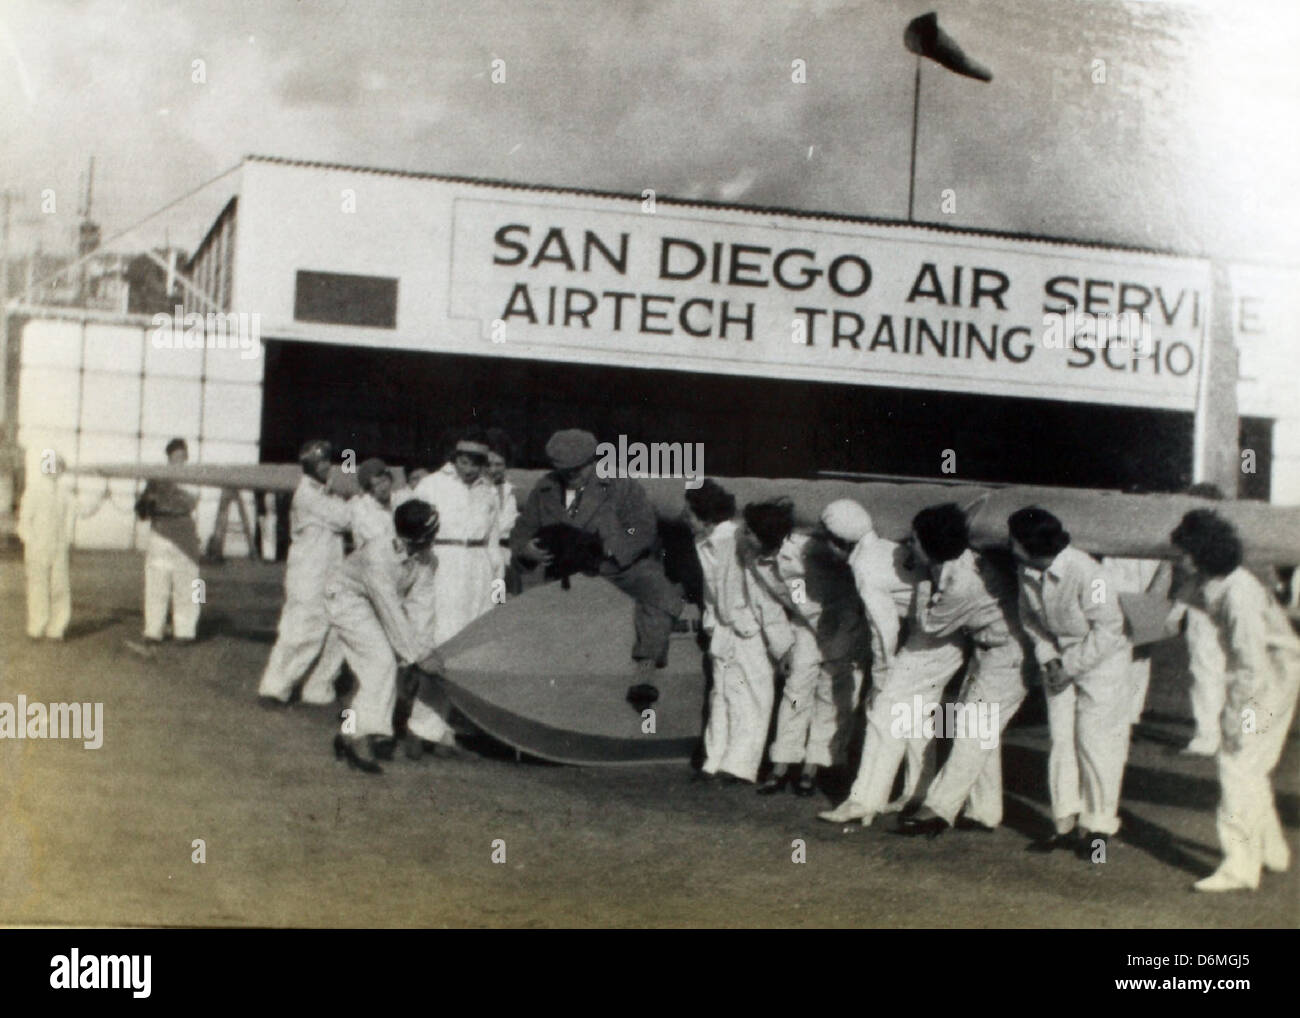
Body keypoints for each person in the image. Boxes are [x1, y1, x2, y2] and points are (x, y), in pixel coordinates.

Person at [1169, 510, 1300, 892]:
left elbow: (1250, 664)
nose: (1179, 559)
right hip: (1271, 672)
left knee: (1236, 765)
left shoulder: (1239, 593)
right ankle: (1272, 851)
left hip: (1270, 679)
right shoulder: (1213, 580)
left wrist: (1237, 715)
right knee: (1249, 765)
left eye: (1185, 552)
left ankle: (1240, 868)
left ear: (1202, 552)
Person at [816, 500, 966, 825]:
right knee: (916, 717)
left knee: (884, 715)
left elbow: (884, 630)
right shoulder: (884, 547)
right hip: (942, 637)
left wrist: (882, 676)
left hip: (932, 639)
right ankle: (917, 791)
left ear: (840, 542)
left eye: (825, 539)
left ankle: (863, 802)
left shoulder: (865, 569)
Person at [892, 504, 1032, 837]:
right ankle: (984, 811)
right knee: (983, 733)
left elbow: (931, 625)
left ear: (931, 546)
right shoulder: (964, 561)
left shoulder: (961, 584)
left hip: (1007, 655)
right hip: (990, 651)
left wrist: (924, 582)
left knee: (972, 731)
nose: (908, 545)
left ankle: (938, 809)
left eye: (914, 540)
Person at [1010, 506, 1133, 859]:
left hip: (1102, 661)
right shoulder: (1027, 569)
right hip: (1059, 661)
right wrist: (1049, 659)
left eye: (1013, 539)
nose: (1008, 545)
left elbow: (1109, 629)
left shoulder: (1088, 573)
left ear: (1028, 543)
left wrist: (1070, 666)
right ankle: (1063, 823)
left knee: (1095, 744)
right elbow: (1029, 618)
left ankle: (1097, 830)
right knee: (1061, 741)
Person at [511, 428, 682, 670]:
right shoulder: (545, 488)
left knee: (660, 591)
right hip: (564, 569)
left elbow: (641, 527)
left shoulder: (621, 486)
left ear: (593, 461)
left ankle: (647, 661)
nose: (571, 475)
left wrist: (615, 547)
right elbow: (522, 529)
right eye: (565, 470)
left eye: (577, 469)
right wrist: (525, 548)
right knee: (531, 607)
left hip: (615, 566)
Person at [742, 499, 868, 796]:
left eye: (748, 530)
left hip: (840, 619)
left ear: (766, 534)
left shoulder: (807, 547)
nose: (742, 534)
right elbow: (766, 604)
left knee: (831, 693)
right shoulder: (754, 558)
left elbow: (853, 564)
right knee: (796, 691)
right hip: (805, 625)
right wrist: (783, 647)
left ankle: (816, 766)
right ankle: (782, 764)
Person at [326, 499, 445, 774]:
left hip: (373, 602)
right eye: (430, 535)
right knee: (381, 663)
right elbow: (390, 609)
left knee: (382, 666)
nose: (432, 541)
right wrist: (416, 655)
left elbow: (420, 607)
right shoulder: (379, 555)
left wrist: (424, 649)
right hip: (346, 599)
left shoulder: (427, 559)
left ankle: (349, 734)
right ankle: (359, 737)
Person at [685, 480, 780, 785]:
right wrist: (713, 624)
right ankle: (714, 761)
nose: (685, 518)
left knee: (750, 697)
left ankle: (740, 767)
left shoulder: (736, 540)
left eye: (689, 513)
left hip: (749, 630)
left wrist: (755, 628)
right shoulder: (705, 542)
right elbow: (711, 590)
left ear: (706, 517)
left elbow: (760, 589)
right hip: (724, 630)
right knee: (721, 695)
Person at [257, 440, 351, 706]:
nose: (325, 466)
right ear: (308, 466)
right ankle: (274, 688)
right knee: (301, 632)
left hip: (329, 571)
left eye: (327, 461)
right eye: (319, 463)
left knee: (338, 629)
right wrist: (354, 496)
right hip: (308, 573)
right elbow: (345, 518)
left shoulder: (325, 492)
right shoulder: (308, 494)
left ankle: (318, 688)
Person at [413, 427, 500, 645]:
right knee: (444, 627)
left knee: (478, 629)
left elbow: (494, 546)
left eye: (476, 464)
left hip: (479, 568)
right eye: (463, 462)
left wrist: (498, 592)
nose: (469, 469)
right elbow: (412, 528)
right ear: (454, 459)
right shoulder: (431, 485)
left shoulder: (488, 492)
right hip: (443, 564)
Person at [16, 450, 104, 640]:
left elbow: (82, 510)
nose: (54, 470)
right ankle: (36, 628)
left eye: (58, 466)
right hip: (38, 547)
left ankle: (56, 629)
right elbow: (23, 522)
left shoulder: (65, 493)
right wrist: (32, 543)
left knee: (60, 588)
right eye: (51, 466)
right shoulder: (34, 490)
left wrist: (100, 498)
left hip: (59, 547)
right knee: (38, 587)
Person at [132, 438, 201, 648]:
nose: (179, 460)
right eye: (175, 456)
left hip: (184, 530)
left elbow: (191, 501)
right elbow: (141, 512)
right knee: (156, 583)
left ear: (187, 457)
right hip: (161, 531)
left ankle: (186, 631)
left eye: (182, 456)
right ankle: (153, 630)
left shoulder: (195, 477)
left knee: (189, 584)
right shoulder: (156, 478)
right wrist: (147, 500)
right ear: (169, 458)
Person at [485, 428, 521, 596]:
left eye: (498, 464)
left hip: (506, 555)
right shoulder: (480, 490)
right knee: (489, 601)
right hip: (485, 555)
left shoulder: (509, 491)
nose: (493, 469)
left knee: (502, 601)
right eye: (488, 464)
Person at [350, 457, 401, 552]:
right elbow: (379, 540)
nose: (383, 488)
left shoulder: (399, 500)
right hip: (375, 561)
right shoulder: (361, 508)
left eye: (384, 481)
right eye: (377, 484)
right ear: (368, 489)